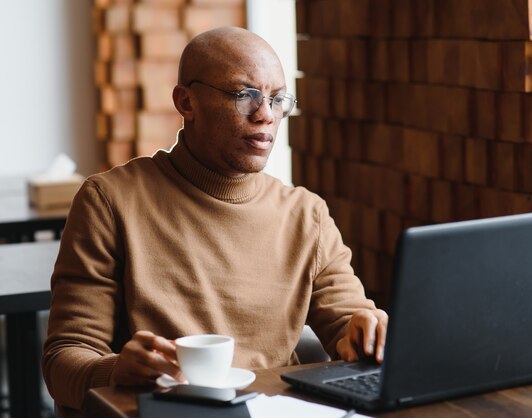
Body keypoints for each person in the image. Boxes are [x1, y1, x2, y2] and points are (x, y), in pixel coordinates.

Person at [42, 26, 387, 411]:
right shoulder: (110, 201)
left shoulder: (306, 214)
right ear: (186, 102)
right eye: (245, 96)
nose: (265, 116)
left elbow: (347, 322)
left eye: (277, 100)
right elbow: (64, 360)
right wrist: (114, 370)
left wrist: (365, 331)